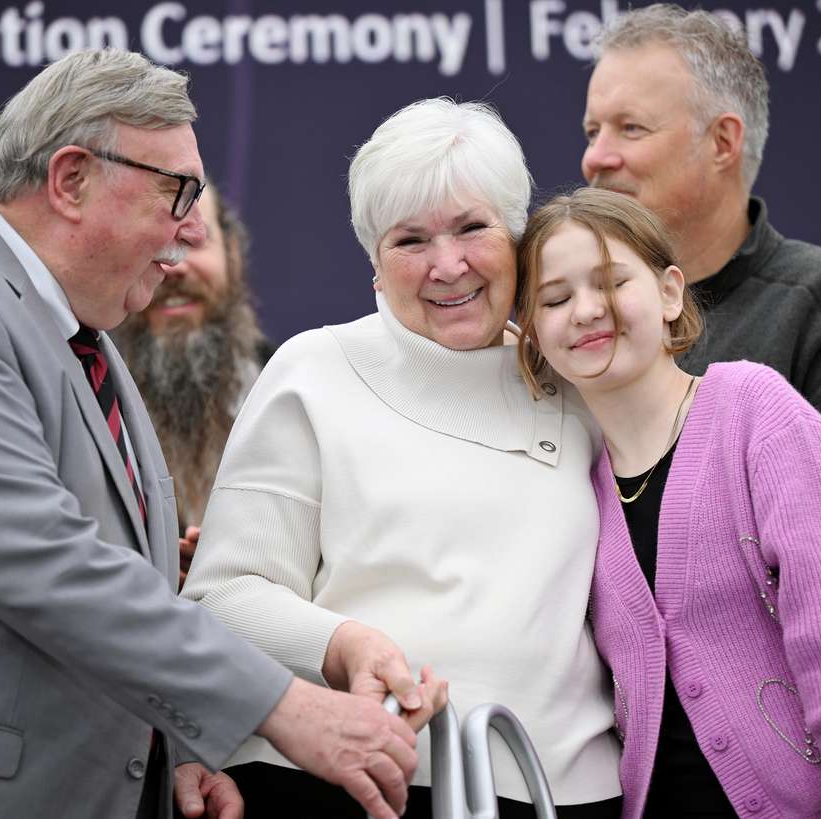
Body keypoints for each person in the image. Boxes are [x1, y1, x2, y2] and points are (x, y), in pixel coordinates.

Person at [0, 49, 438, 819]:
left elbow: (97, 583)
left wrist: (166, 750)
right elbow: (43, 561)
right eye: (177, 192)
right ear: (71, 179)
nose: (182, 233)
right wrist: (288, 707)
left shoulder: (87, 341)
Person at [182, 98, 624, 818]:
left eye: (473, 227)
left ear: (518, 237)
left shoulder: (579, 383)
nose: (447, 264)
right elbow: (222, 599)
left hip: (565, 791)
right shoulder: (314, 371)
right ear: (375, 265)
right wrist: (343, 642)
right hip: (348, 786)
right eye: (410, 239)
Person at [516, 186, 821, 818]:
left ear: (670, 292)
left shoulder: (758, 415)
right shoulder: (570, 484)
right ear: (535, 335)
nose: (587, 310)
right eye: (556, 298)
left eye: (612, 282)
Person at [581, 3, 821, 611]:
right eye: (592, 131)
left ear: (722, 141)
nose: (596, 158)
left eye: (629, 129)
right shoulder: (566, 321)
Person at [113, 184, 269, 585]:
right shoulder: (89, 401)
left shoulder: (295, 393)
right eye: (154, 245)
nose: (176, 266)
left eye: (193, 240)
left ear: (232, 255)